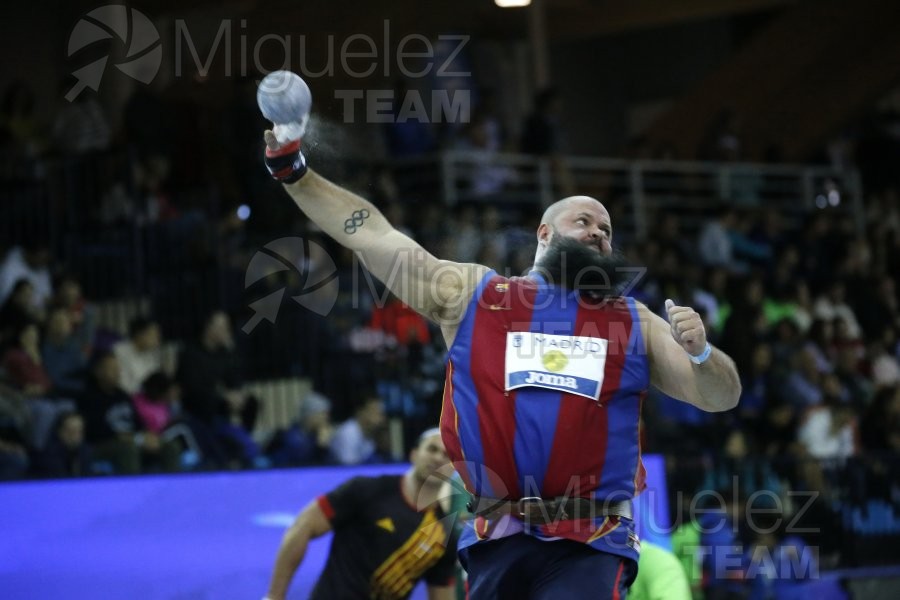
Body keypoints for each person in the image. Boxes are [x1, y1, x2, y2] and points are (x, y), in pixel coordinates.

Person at [262, 105, 741, 598]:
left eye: (607, 231)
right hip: (496, 538)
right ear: (544, 234)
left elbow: (719, 397)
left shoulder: (633, 321)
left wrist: (703, 354)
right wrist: (295, 173)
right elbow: (373, 234)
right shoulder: (475, 295)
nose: (599, 232)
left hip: (590, 542)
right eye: (585, 221)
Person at [263, 428, 459, 600]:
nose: (438, 458)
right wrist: (274, 596)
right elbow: (302, 526)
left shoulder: (443, 534)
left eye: (447, 454)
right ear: (414, 454)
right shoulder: (366, 490)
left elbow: (441, 593)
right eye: (432, 449)